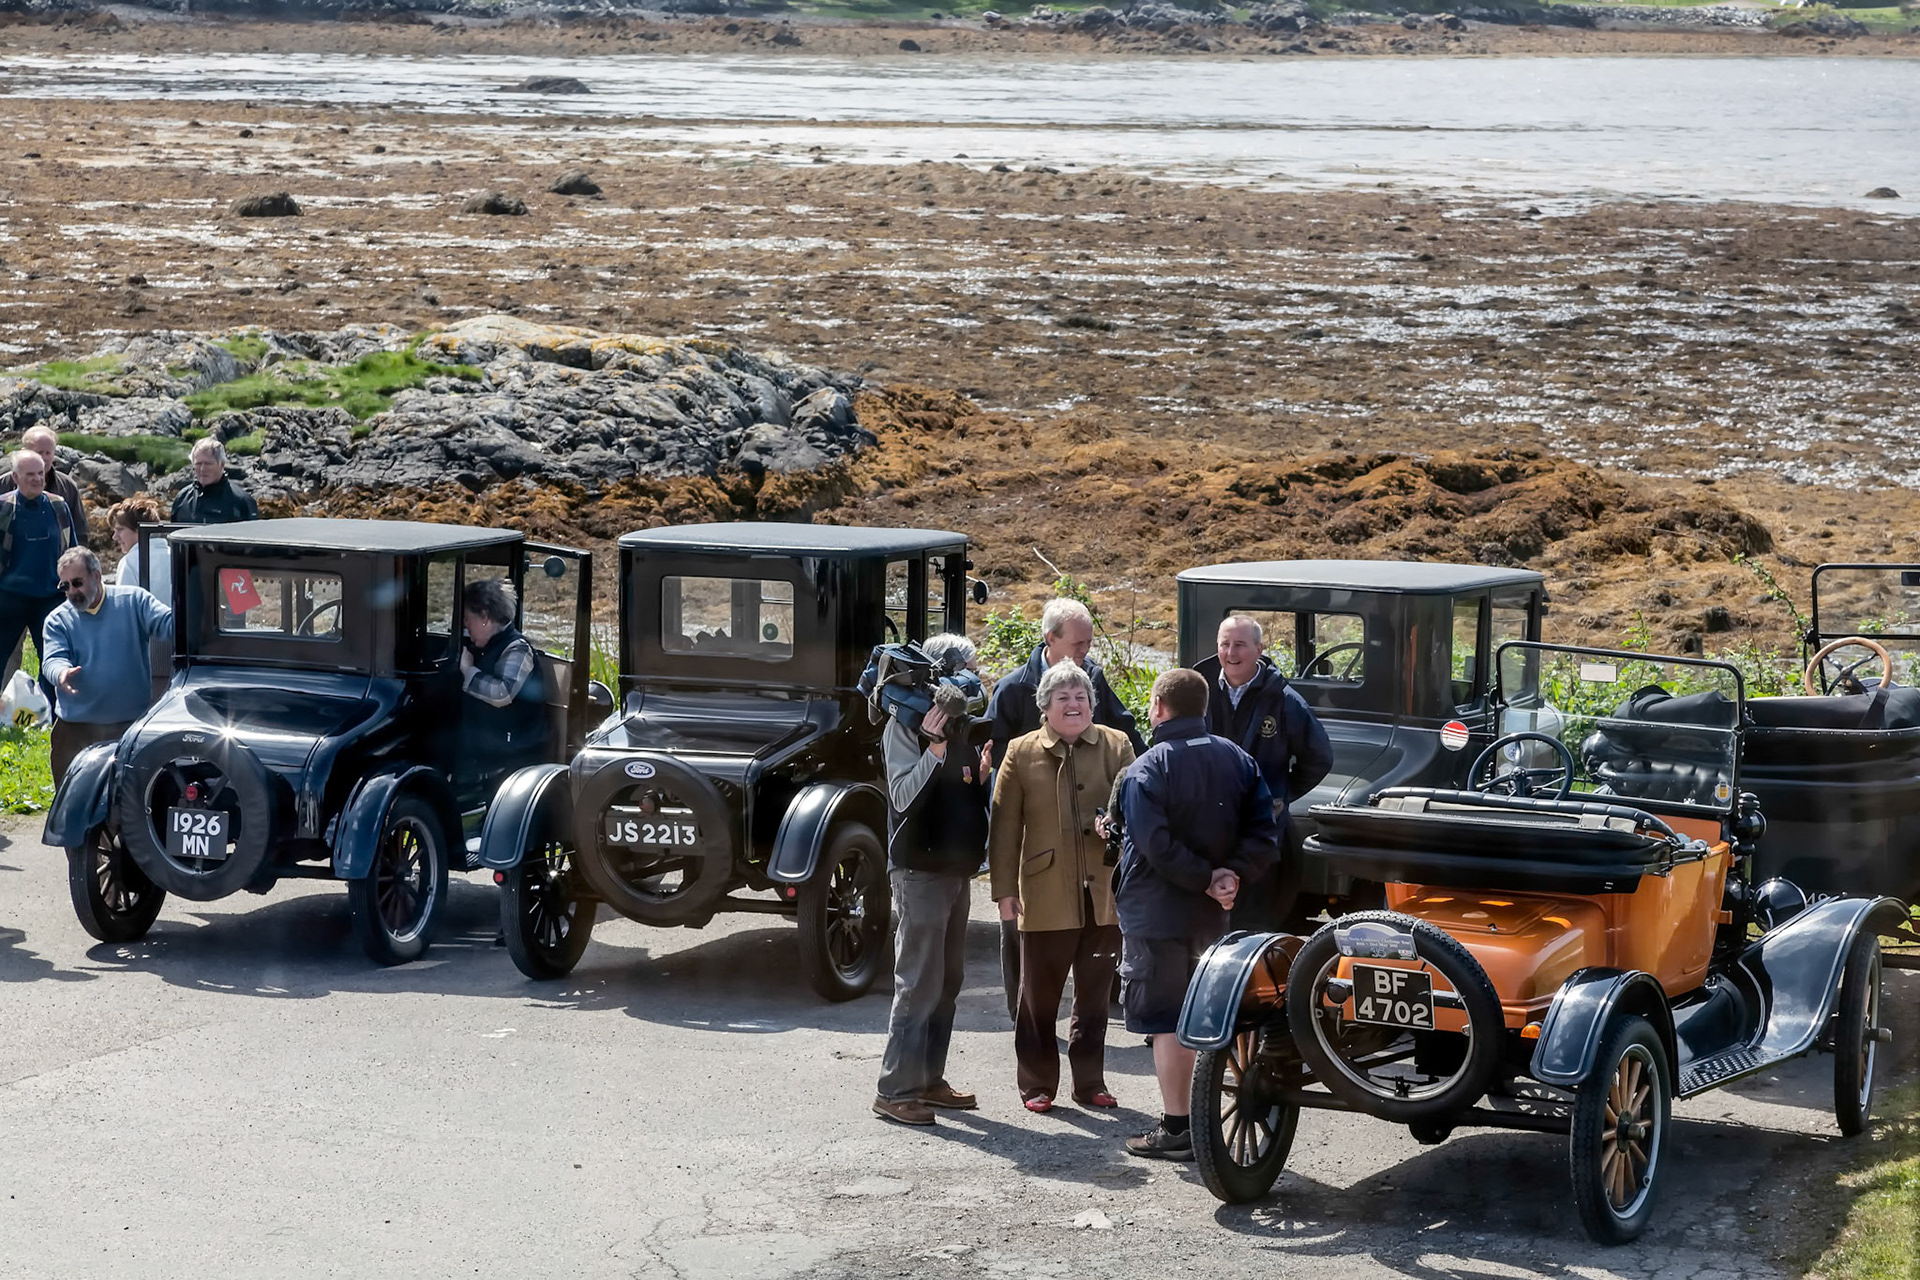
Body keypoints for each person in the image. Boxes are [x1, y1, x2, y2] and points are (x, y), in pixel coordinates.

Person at [1115, 668, 1280, 1161]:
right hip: (1212, 913)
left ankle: (1178, 1126)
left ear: (1159, 708)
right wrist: (1230, 875)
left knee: (1167, 1020)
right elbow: (1264, 831)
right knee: (1208, 1013)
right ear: (1203, 708)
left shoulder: (1147, 767)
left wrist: (1205, 877)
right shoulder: (1239, 759)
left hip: (1158, 912)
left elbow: (1153, 843)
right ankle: (1200, 1119)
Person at [984, 597, 1147, 1019]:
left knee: (1093, 938)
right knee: (1024, 941)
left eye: (1089, 642)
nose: (1085, 651)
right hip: (1035, 837)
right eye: (1077, 643)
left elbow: (1121, 738)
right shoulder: (1014, 688)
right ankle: (1024, 1013)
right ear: (1049, 638)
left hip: (1091, 845)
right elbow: (997, 770)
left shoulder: (1092, 678)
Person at [989, 660, 1134, 1113]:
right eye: (1063, 698)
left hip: (1104, 895)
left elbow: (1138, 805)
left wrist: (1116, 824)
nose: (1074, 705)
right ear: (1044, 706)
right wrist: (1003, 891)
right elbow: (1004, 827)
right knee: (1038, 996)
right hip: (1044, 892)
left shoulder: (1117, 744)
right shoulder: (1019, 751)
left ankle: (1089, 1082)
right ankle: (1036, 1084)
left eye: (1082, 698)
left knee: (1094, 998)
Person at [874, 632, 990, 1127]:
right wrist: (935, 749)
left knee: (948, 980)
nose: (976, 678)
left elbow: (958, 795)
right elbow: (901, 794)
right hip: (919, 872)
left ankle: (929, 1081)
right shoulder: (904, 727)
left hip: (955, 868)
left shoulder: (961, 723)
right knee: (918, 981)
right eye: (967, 668)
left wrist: (978, 778)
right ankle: (895, 1089)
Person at [1192, 615, 1333, 931]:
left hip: (1258, 838)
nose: (1231, 653)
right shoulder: (1196, 691)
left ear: (1259, 649)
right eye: (1224, 644)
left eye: (1240, 645)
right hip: (1205, 834)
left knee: (1252, 926)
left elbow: (1319, 757)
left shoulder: (1284, 700)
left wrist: (1278, 794)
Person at [40, 547, 172, 785]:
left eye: (77, 583)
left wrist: (196, 610)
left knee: (127, 801)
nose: (72, 592)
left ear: (97, 576)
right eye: (65, 586)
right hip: (75, 728)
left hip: (128, 727)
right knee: (71, 802)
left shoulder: (134, 601)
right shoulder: (58, 620)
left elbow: (167, 624)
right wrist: (61, 674)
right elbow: (52, 659)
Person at [0, 450, 80, 713]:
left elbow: (72, 551)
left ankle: (56, 715)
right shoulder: (3, 507)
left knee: (53, 660)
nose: (37, 479)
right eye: (30, 474)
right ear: (15, 477)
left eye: (40, 473)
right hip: (8, 598)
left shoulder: (58, 506)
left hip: (50, 599)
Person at [459, 577, 548, 782]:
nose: (466, 627)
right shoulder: (482, 646)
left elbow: (503, 693)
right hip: (487, 751)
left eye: (467, 619)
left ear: (484, 617)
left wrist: (468, 671)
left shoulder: (517, 648)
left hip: (516, 757)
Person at [0, 425, 91, 544]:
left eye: (48, 453)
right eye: (39, 452)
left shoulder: (67, 486)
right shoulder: (4, 484)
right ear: (24, 452)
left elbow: (80, 532)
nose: (44, 458)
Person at [170, 438, 259, 525]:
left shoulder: (242, 502)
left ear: (222, 464)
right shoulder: (181, 499)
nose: (202, 469)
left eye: (208, 464)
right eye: (198, 464)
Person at [109, 497, 172, 609]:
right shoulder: (175, 556)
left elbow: (124, 608)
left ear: (138, 529)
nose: (115, 537)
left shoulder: (129, 562)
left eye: (120, 529)